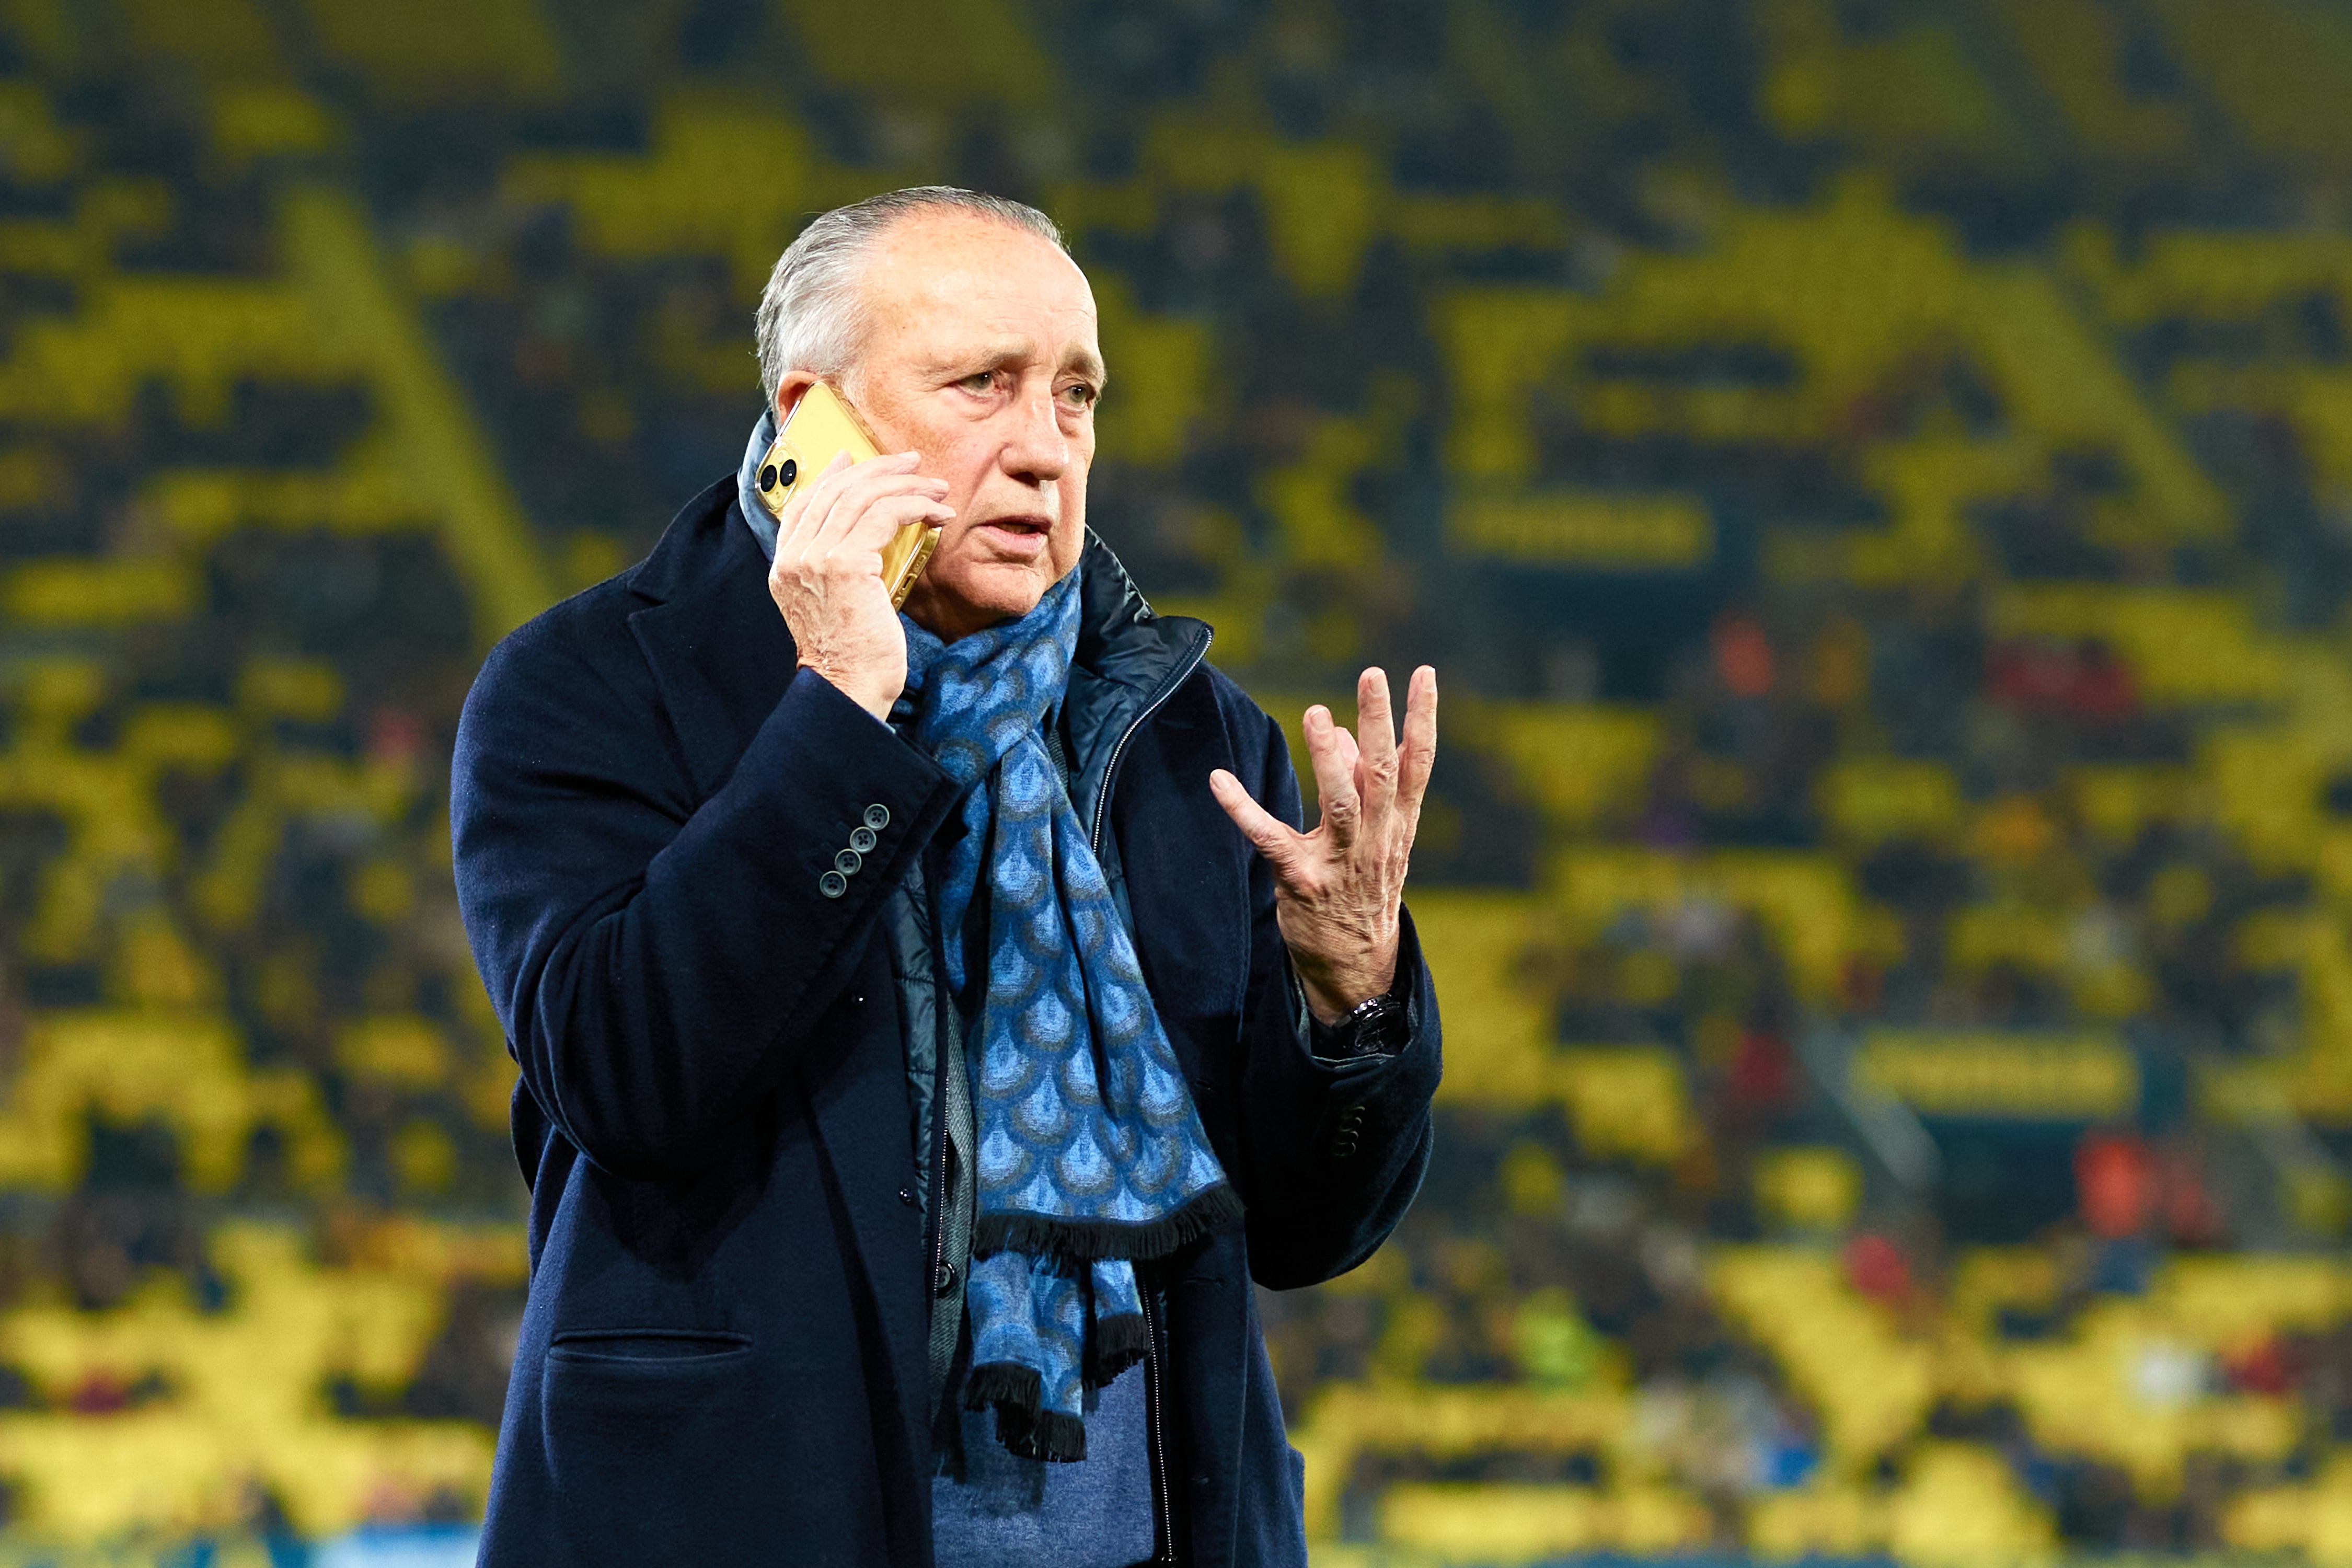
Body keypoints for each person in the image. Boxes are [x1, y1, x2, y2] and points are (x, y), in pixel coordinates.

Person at [451, 187, 1443, 1568]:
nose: (1045, 451)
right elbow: (626, 1073)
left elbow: (1301, 1231)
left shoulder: (1183, 735)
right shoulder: (597, 686)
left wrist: (1353, 1006)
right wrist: (839, 720)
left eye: (1077, 396)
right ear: (816, 419)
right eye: (983, 385)